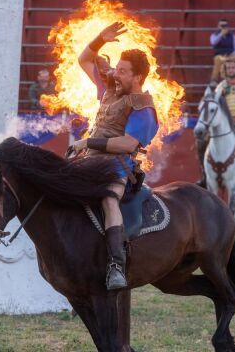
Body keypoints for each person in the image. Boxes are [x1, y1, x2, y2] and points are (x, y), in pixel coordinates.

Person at [73, 22, 159, 290]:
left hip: (117, 166)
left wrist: (88, 141)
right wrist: (100, 38)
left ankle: (115, 267)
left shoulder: (143, 106)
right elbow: (84, 59)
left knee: (109, 201)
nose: (115, 74)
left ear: (138, 77)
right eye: (117, 68)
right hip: (89, 159)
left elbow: (127, 143)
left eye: (122, 71)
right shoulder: (110, 88)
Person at [195, 57, 235, 193]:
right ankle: (204, 176)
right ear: (225, 70)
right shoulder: (221, 86)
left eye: (233, 67)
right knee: (201, 143)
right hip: (223, 124)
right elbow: (213, 103)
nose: (231, 70)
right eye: (228, 68)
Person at [210, 18, 235, 86]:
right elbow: (213, 43)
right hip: (219, 55)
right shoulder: (214, 35)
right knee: (218, 59)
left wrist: (233, 54)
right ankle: (214, 80)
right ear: (218, 26)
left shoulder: (232, 35)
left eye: (225, 25)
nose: (223, 27)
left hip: (230, 55)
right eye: (221, 25)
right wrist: (221, 34)